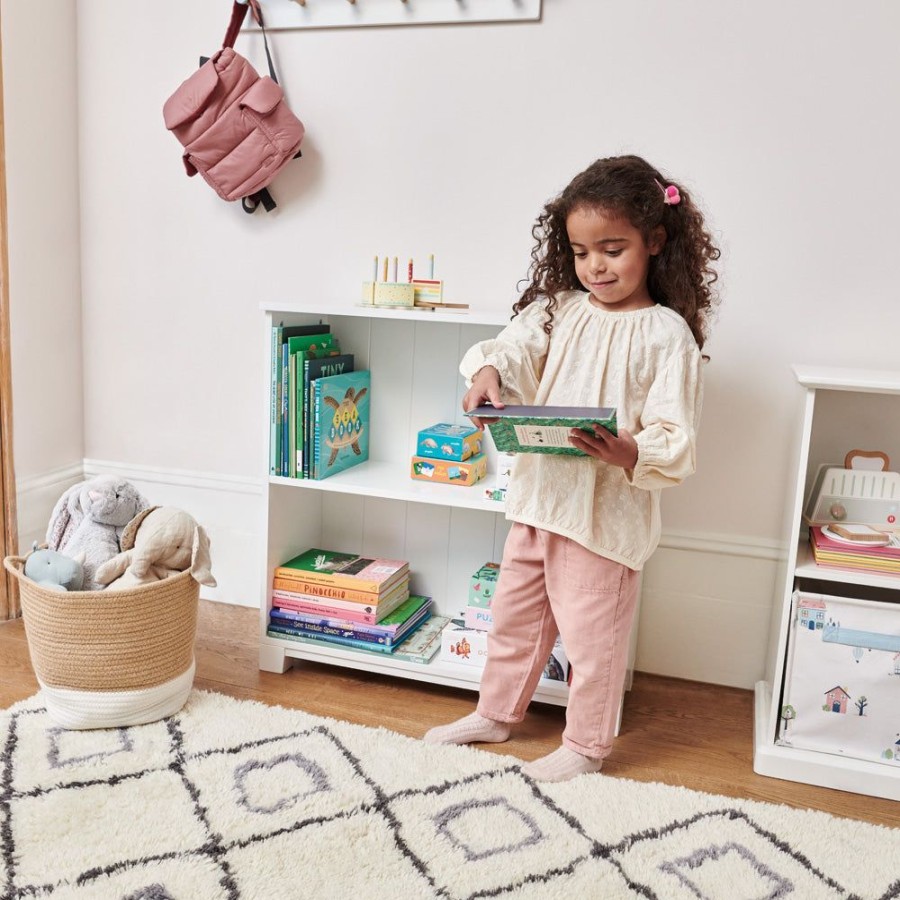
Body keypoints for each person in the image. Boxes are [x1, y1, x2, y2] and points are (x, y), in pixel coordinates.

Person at [423, 154, 721, 782]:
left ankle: (585, 746)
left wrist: (629, 450)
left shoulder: (668, 335)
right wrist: (488, 376)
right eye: (582, 253)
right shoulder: (558, 310)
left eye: (612, 249)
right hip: (540, 499)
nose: (596, 267)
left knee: (593, 642)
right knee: (514, 619)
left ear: (655, 242)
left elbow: (676, 435)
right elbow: (511, 351)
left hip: (603, 517)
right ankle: (496, 714)